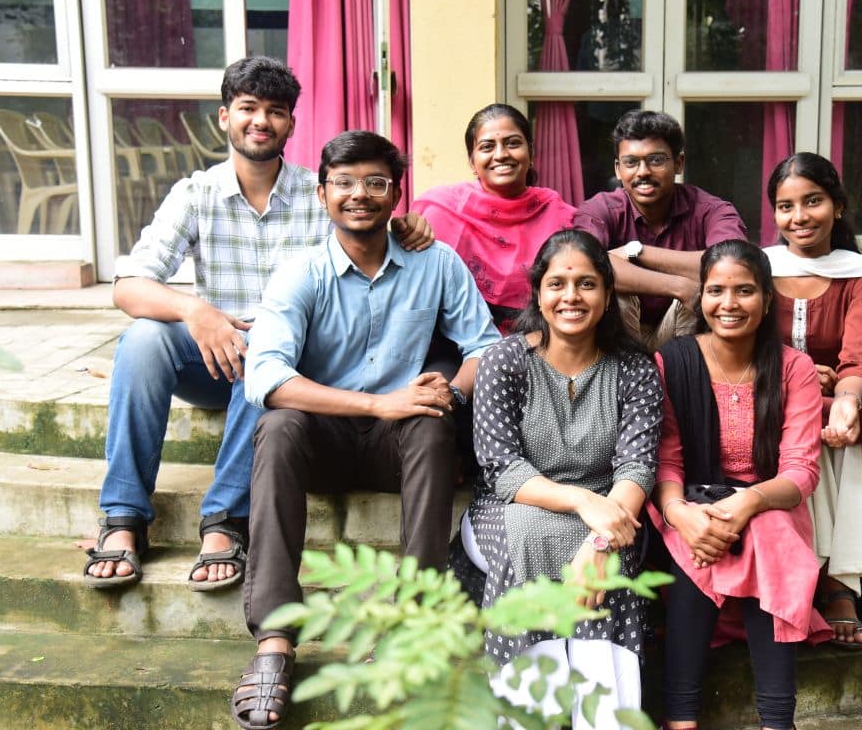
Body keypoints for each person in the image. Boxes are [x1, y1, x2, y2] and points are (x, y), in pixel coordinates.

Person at [83, 57, 433, 592]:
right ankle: (124, 516)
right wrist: (196, 311)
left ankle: (225, 520)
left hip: (287, 363)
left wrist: (405, 224)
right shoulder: (196, 194)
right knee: (142, 341)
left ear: (291, 123)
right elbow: (127, 287)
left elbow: (369, 230)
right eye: (248, 108)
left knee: (265, 357)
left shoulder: (322, 195)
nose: (261, 121)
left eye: (276, 111)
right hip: (211, 356)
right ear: (225, 117)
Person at [230, 130, 500, 730]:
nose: (360, 194)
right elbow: (265, 376)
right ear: (322, 193)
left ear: (396, 193)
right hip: (321, 441)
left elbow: (485, 348)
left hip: (397, 447)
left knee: (430, 422)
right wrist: (379, 405)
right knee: (278, 426)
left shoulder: (435, 263)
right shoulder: (301, 272)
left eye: (376, 182)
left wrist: (449, 393)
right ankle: (275, 638)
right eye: (345, 182)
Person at [450, 229, 663, 730]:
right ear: (538, 293)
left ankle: (607, 720)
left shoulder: (634, 369)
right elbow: (502, 469)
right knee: (529, 533)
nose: (572, 297)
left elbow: (636, 467)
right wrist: (584, 503)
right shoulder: (504, 361)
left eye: (586, 284)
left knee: (608, 562)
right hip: (509, 510)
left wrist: (601, 540)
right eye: (557, 284)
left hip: (611, 514)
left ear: (608, 295)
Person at [650, 239, 826, 730]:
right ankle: (681, 718)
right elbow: (666, 460)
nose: (729, 304)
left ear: (767, 299)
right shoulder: (674, 361)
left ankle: (777, 721)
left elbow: (800, 471)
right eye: (716, 291)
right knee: (697, 541)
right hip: (690, 500)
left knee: (768, 534)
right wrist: (680, 514)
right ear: (701, 297)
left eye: (744, 291)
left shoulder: (794, 368)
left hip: (769, 503)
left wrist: (749, 501)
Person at [764, 152, 862, 650]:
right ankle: (837, 581)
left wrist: (845, 400)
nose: (799, 217)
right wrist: (801, 374)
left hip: (848, 396)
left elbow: (861, 354)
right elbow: (740, 337)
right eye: (786, 206)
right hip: (777, 392)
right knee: (806, 418)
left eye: (813, 202)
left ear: (838, 206)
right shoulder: (760, 268)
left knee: (851, 424)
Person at [573, 110, 748, 350]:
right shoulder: (600, 209)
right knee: (615, 294)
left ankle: (682, 370)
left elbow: (734, 265)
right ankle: (627, 372)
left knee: (706, 292)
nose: (643, 171)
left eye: (655, 160)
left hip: (686, 328)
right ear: (618, 169)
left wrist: (636, 252)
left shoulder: (710, 210)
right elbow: (581, 265)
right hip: (618, 339)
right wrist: (678, 286)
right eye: (631, 162)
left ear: (679, 163)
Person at [412, 103, 576, 333]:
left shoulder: (560, 216)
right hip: (455, 342)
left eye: (513, 143)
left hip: (544, 340)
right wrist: (403, 227)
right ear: (472, 161)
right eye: (487, 146)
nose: (501, 155)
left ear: (531, 153)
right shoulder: (442, 209)